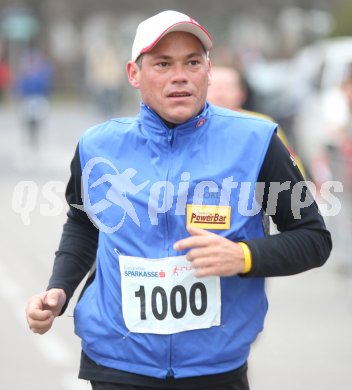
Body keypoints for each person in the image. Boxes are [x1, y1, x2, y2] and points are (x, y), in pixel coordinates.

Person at [26, 10, 332, 390]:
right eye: (163, 64)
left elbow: (314, 239)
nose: (180, 76)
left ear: (208, 69)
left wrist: (244, 256)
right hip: (116, 360)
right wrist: (60, 287)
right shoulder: (97, 147)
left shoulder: (256, 141)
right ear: (133, 74)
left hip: (214, 367)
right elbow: (84, 223)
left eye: (192, 62)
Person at [207, 64, 306, 176]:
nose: (220, 94)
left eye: (227, 87)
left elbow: (291, 166)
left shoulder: (263, 124)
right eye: (214, 87)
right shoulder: (193, 127)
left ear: (242, 94)